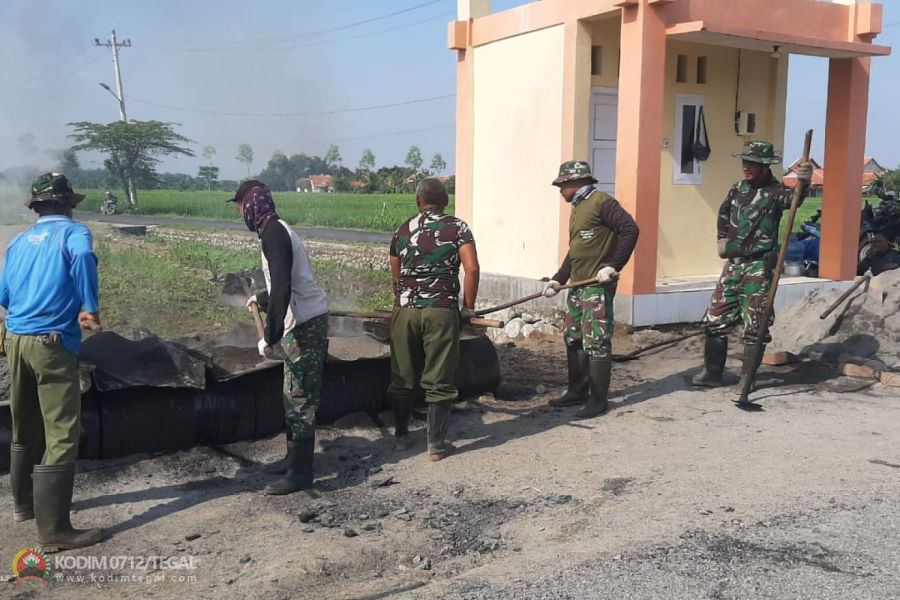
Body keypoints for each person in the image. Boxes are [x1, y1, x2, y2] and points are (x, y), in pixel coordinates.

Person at [0, 173, 103, 551]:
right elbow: (82, 258)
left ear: (36, 206)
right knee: (61, 432)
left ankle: (24, 506)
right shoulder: (74, 235)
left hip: (16, 340)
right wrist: (89, 308)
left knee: (24, 424)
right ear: (67, 204)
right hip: (51, 343)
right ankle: (54, 531)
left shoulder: (18, 241)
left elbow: (4, 295)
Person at [228, 180, 329, 495]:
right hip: (300, 320)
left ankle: (300, 473)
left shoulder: (273, 233)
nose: (239, 212)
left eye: (240, 205)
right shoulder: (272, 231)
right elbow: (281, 282)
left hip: (304, 325)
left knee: (299, 398)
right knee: (292, 394)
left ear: (252, 204)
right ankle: (292, 460)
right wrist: (262, 297)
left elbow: (284, 286)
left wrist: (270, 336)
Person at [691, 142, 812, 391]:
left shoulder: (776, 192)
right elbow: (724, 214)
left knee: (756, 325)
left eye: (752, 163)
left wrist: (805, 181)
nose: (746, 167)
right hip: (733, 265)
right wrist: (722, 241)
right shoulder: (738, 188)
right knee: (715, 319)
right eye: (744, 162)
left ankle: (747, 379)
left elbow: (795, 200)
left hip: (758, 267)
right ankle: (713, 373)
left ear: (765, 165)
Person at [388, 177, 479, 460]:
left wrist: (403, 298)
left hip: (405, 311)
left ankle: (401, 437)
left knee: (403, 375)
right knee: (439, 377)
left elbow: (395, 271)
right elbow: (472, 269)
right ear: (445, 201)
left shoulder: (402, 230)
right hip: (440, 310)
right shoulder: (457, 227)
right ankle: (436, 445)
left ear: (418, 201)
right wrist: (468, 307)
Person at [542, 161, 639, 420]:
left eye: (561, 186)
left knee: (596, 340)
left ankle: (598, 399)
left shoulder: (601, 202)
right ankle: (577, 391)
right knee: (573, 336)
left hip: (596, 285)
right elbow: (576, 250)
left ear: (574, 183)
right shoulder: (578, 208)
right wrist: (558, 279)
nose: (560, 191)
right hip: (577, 284)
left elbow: (630, 229)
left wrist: (612, 266)